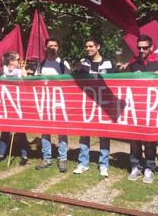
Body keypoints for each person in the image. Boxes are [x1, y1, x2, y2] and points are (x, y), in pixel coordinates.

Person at [126, 35, 158, 184]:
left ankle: (149, 167)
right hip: (135, 107)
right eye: (139, 48)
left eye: (144, 47)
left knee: (149, 140)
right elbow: (125, 84)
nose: (141, 50)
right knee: (134, 140)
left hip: (151, 108)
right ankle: (135, 166)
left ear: (151, 48)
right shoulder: (133, 64)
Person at [73, 38, 114, 178]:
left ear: (98, 47)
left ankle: (103, 164)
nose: (88, 48)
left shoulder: (108, 62)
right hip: (86, 103)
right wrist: (77, 71)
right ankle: (83, 163)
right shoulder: (82, 62)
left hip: (103, 104)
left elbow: (113, 81)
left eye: (91, 46)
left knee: (104, 134)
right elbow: (76, 82)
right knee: (84, 133)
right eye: (86, 46)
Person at [34, 38, 72, 173]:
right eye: (50, 46)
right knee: (45, 132)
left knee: (62, 132)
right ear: (45, 48)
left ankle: (62, 158)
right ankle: (47, 158)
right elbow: (36, 82)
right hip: (45, 103)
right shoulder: (41, 64)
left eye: (55, 45)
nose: (53, 48)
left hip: (60, 103)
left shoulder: (63, 64)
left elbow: (69, 83)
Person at [0, 51, 29, 165]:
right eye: (17, 59)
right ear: (11, 61)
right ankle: (1, 153)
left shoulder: (20, 72)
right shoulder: (2, 71)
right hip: (6, 104)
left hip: (18, 104)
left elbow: (26, 78)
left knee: (20, 130)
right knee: (5, 130)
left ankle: (24, 155)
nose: (19, 61)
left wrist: (23, 69)